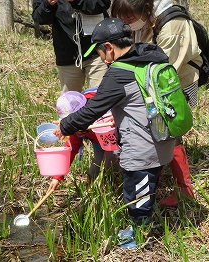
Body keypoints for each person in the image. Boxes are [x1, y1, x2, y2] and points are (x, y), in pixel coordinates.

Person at [53, 17, 176, 249]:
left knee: (136, 193)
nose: (101, 59)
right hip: (162, 136)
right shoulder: (149, 56)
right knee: (147, 185)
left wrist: (65, 126)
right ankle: (141, 223)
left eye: (99, 53)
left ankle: (141, 235)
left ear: (109, 48)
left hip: (142, 145)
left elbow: (91, 110)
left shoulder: (118, 72)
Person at [110, 0, 202, 207]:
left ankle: (184, 189)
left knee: (171, 131)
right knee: (155, 131)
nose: (127, 23)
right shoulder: (147, 19)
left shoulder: (173, 24)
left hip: (174, 82)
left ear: (145, 10)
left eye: (130, 19)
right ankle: (155, 178)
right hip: (151, 83)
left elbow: (163, 67)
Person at [47, 88, 121, 193]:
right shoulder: (75, 128)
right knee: (97, 161)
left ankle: (116, 186)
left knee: (111, 159)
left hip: (112, 137)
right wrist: (57, 177)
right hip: (96, 140)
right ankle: (90, 188)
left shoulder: (103, 113)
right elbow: (70, 150)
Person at [32, 0, 111, 92]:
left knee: (100, 98)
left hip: (97, 51)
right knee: (69, 103)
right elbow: (39, 18)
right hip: (68, 54)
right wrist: (49, 4)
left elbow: (103, 3)